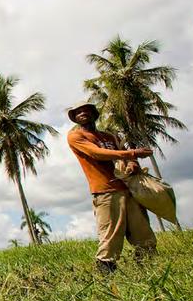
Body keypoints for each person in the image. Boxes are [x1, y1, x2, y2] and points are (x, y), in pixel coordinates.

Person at [65, 102, 156, 274]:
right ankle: (106, 278)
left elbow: (125, 154)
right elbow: (96, 154)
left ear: (94, 114)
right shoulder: (76, 137)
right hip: (105, 191)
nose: (83, 113)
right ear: (75, 118)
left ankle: (148, 271)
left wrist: (132, 163)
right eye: (78, 112)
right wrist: (133, 154)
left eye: (86, 110)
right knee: (110, 237)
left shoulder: (109, 137)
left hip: (129, 189)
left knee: (143, 234)